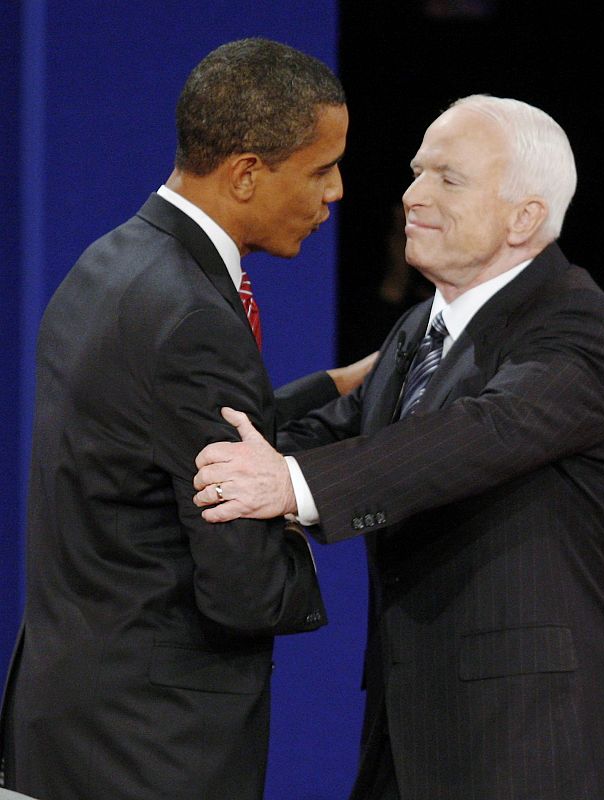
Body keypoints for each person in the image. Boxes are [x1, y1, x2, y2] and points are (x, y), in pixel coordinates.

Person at [191, 95, 604, 799]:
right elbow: (334, 431)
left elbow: (479, 431)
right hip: (407, 738)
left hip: (527, 748)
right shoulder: (418, 329)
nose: (412, 195)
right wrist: (216, 440)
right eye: (415, 171)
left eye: (447, 178)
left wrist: (292, 485)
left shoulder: (572, 320)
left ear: (524, 216)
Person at [0, 37, 360, 800]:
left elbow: (160, 432)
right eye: (321, 168)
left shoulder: (110, 265)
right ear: (246, 174)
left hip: (69, 730)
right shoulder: (196, 318)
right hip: (150, 754)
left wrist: (330, 387)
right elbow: (244, 590)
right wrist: (292, 510)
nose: (334, 193)